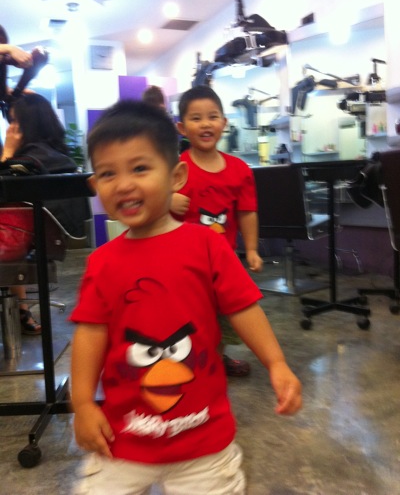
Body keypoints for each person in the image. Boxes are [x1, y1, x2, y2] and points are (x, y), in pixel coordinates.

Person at [69, 100, 302, 495]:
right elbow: (90, 333)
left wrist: (276, 362)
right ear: (95, 186)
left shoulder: (206, 246)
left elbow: (243, 308)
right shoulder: (102, 263)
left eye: (139, 168)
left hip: (203, 440)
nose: (123, 184)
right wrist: (83, 404)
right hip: (121, 438)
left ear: (176, 176)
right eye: (108, 173)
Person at [170, 85, 264, 376]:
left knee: (224, 316)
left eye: (212, 117)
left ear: (224, 123)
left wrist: (251, 249)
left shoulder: (239, 169)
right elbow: (148, 206)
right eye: (196, 118)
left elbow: (247, 211)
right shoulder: (175, 169)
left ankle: (215, 361)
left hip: (224, 262)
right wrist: (166, 200)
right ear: (182, 128)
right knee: (188, 316)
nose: (205, 124)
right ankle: (187, 362)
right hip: (183, 263)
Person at [0, 93, 90, 334]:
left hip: (11, 242)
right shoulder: (57, 158)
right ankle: (22, 311)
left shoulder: (23, 163)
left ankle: (20, 312)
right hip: (34, 240)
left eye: (14, 122)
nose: (10, 129)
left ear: (25, 127)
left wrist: (7, 153)